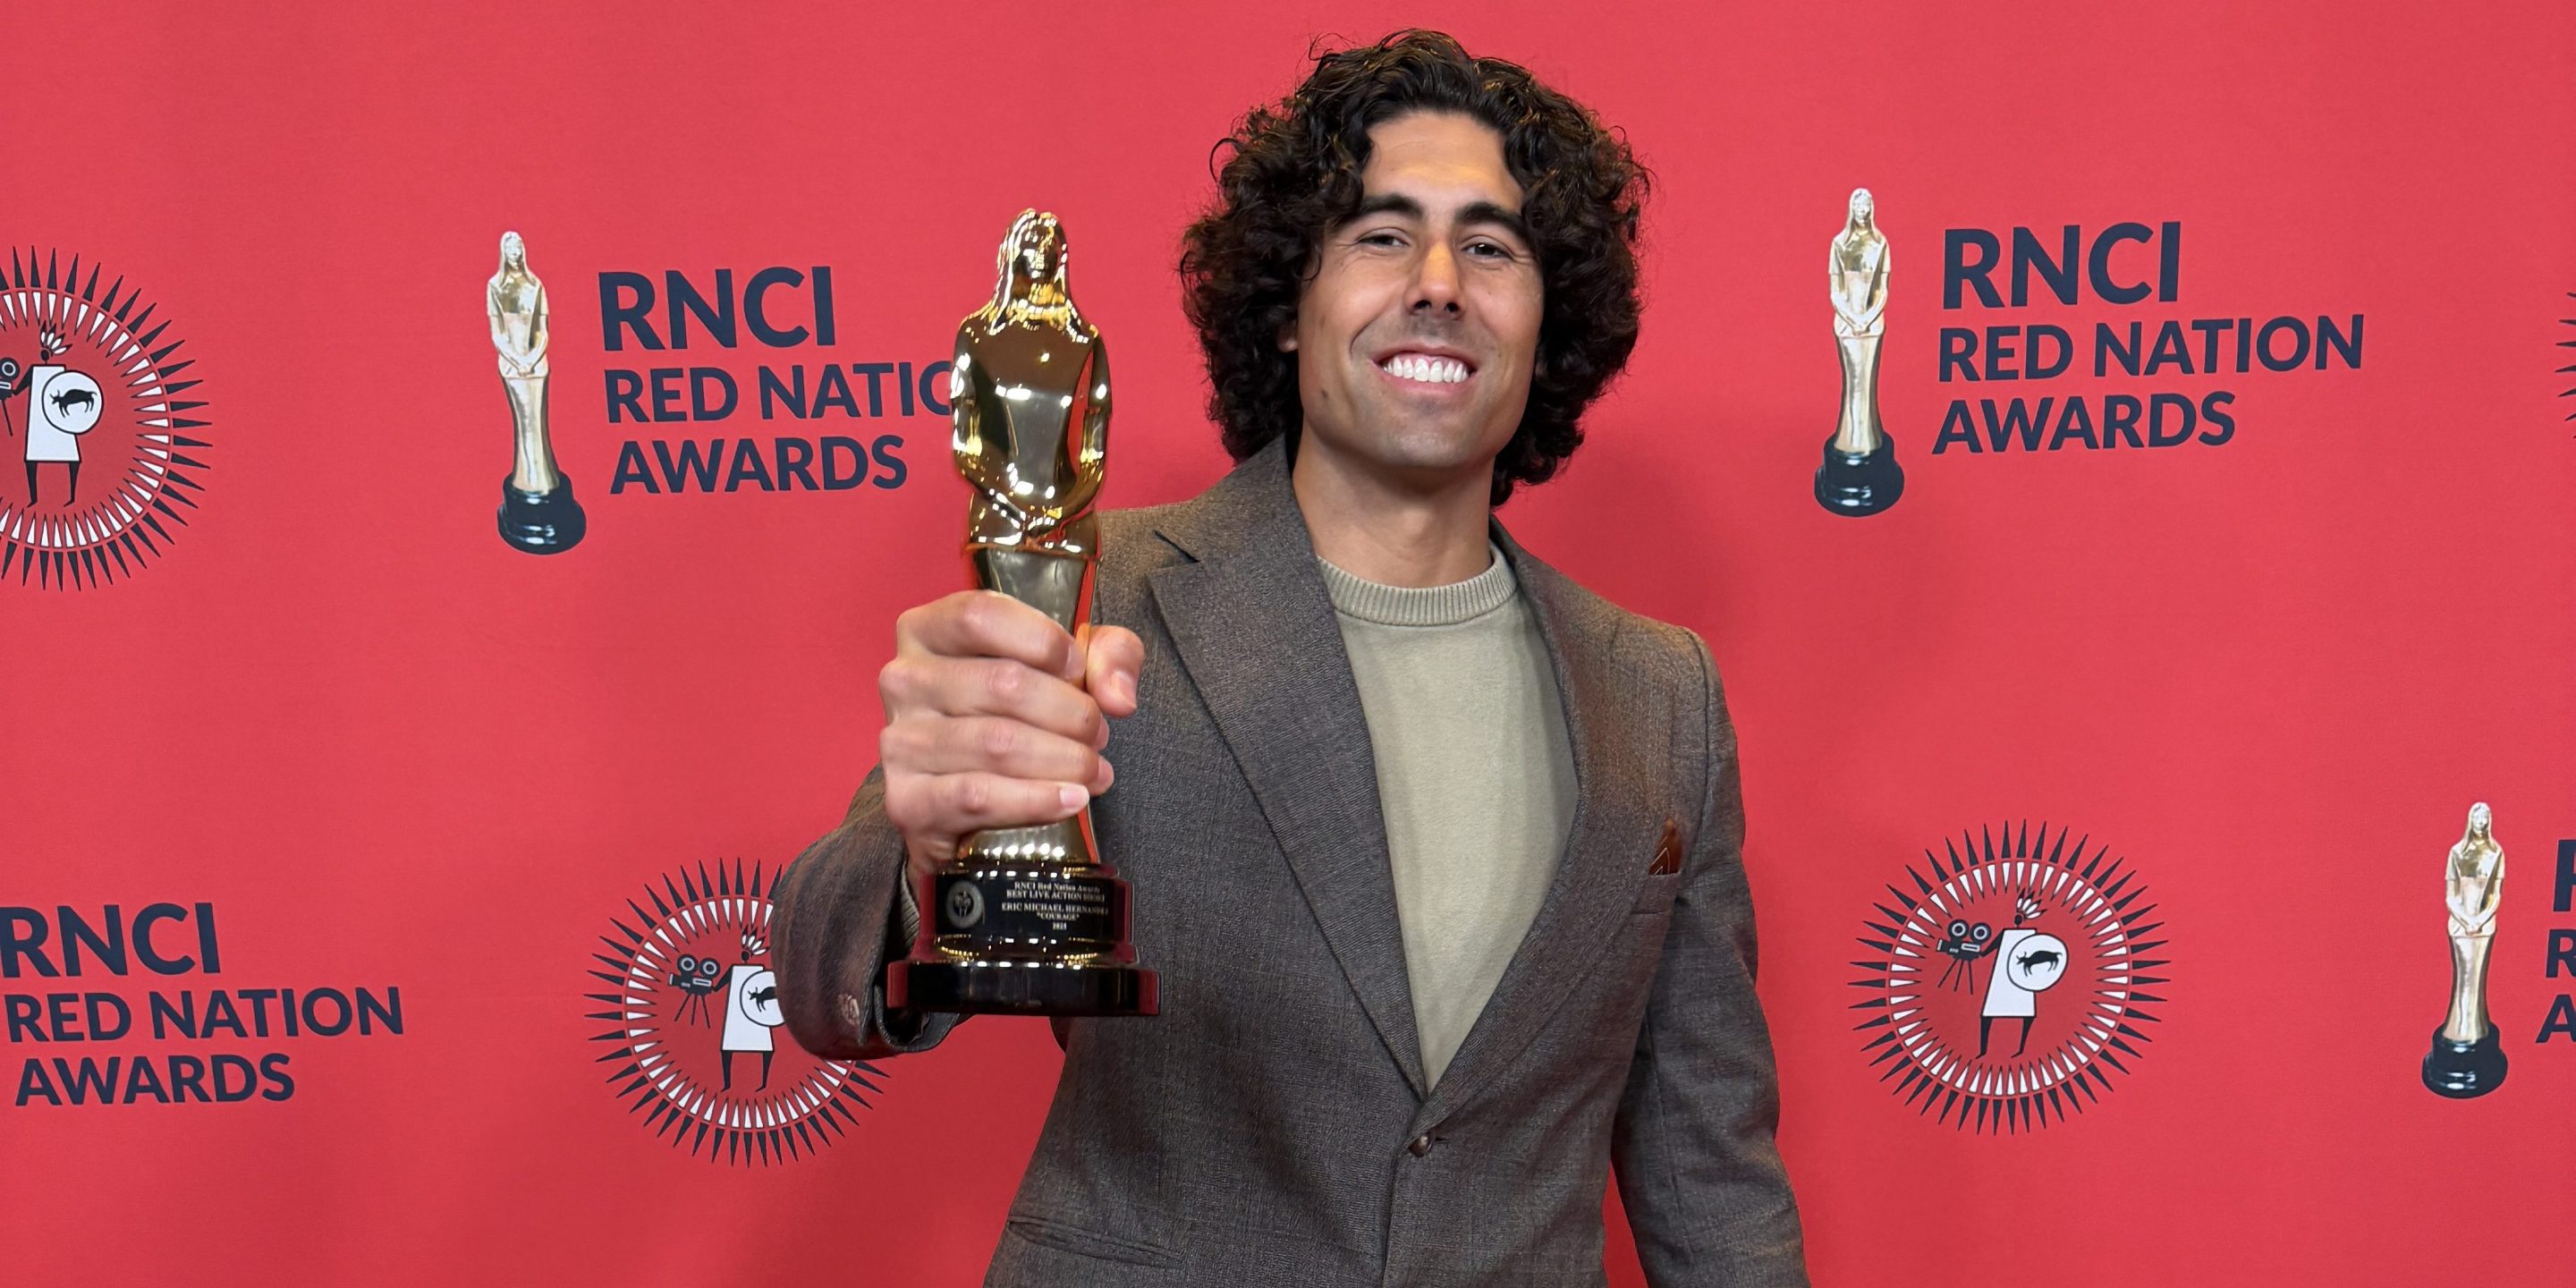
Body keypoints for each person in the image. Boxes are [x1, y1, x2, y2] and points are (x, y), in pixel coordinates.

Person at [772, 30, 1808, 1287]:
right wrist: (924, 846)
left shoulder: (1664, 694)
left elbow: (1710, 1171)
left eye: (1492, 245)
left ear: (1549, 323)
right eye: (1379, 235)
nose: (1438, 281)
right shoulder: (1099, 590)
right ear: (1286, 307)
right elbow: (823, 986)